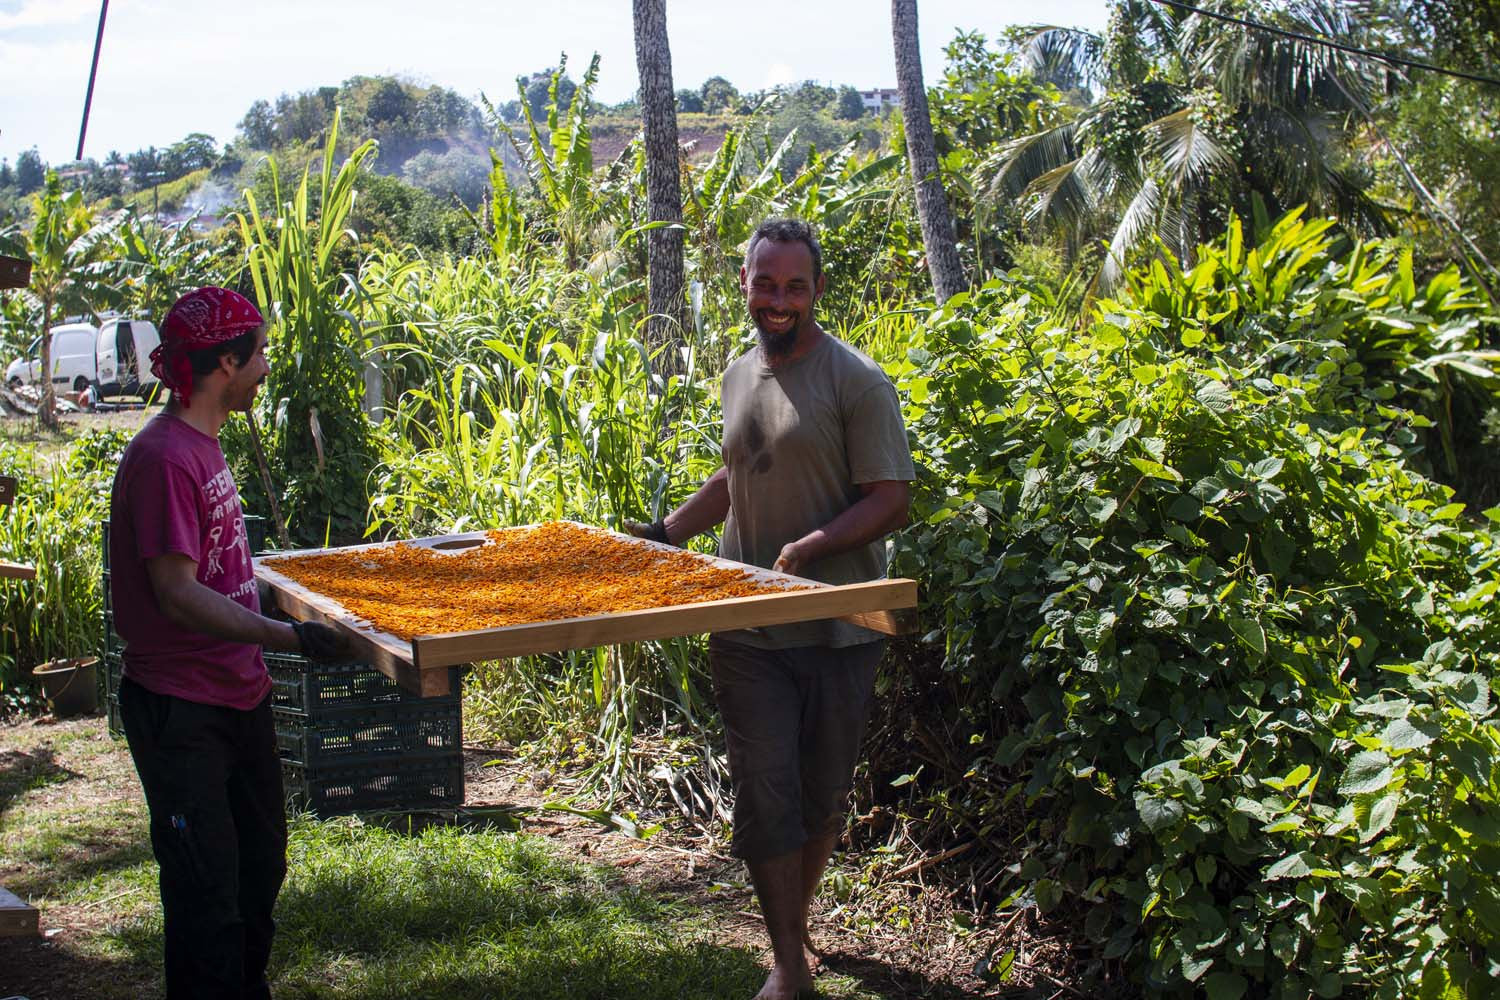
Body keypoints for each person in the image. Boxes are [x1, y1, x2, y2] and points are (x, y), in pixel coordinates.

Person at [632, 219, 914, 1000]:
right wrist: (666, 533)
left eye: (795, 286)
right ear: (746, 285)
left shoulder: (856, 381)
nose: (779, 300)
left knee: (820, 796)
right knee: (766, 792)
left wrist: (812, 548)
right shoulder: (736, 375)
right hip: (746, 623)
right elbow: (738, 475)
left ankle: (796, 922)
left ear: (818, 290)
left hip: (840, 628)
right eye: (766, 284)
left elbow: (891, 499)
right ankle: (788, 962)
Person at [109, 286, 347, 1000]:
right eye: (260, 354)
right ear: (224, 364)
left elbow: (220, 567)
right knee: (205, 890)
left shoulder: (202, 443)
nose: (266, 367)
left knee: (257, 869)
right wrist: (288, 636)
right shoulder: (162, 459)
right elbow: (177, 593)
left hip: (237, 697)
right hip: (183, 711)